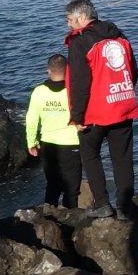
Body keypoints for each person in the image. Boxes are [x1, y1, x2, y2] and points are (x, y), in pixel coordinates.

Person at [65, 0, 138, 219]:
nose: (69, 25)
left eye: (70, 20)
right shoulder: (120, 38)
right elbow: (133, 71)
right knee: (123, 158)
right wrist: (122, 92)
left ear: (81, 17)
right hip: (122, 105)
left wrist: (77, 116)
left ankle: (102, 204)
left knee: (90, 155)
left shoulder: (80, 43)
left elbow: (79, 84)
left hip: (95, 111)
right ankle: (125, 207)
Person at [25, 54, 81, 208]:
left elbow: (31, 119)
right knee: (72, 187)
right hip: (72, 143)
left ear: (48, 70)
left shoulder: (39, 92)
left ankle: (50, 215)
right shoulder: (74, 90)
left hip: (48, 144)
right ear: (68, 70)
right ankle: (72, 217)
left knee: (52, 184)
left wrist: (31, 142)